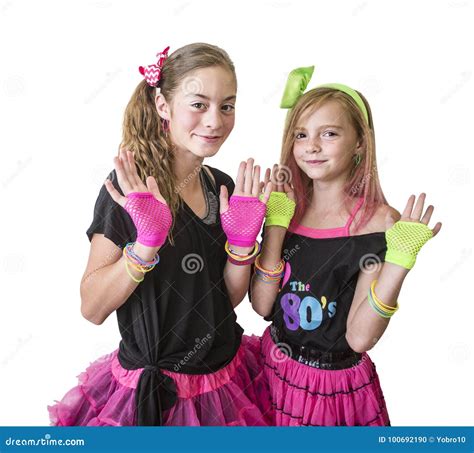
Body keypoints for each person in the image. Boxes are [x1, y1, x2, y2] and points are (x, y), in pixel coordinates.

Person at [48, 43, 272, 426]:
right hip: (156, 392)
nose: (215, 121)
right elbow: (92, 308)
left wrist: (241, 248)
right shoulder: (129, 190)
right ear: (163, 106)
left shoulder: (221, 186)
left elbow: (223, 302)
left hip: (225, 377)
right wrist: (143, 245)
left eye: (227, 106)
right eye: (198, 104)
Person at [250, 66, 442, 426]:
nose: (312, 146)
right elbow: (262, 306)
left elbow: (359, 338)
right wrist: (275, 225)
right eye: (302, 134)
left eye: (330, 133)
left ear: (359, 142)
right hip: (272, 371)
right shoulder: (287, 208)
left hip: (332, 392)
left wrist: (398, 262)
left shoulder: (379, 223)